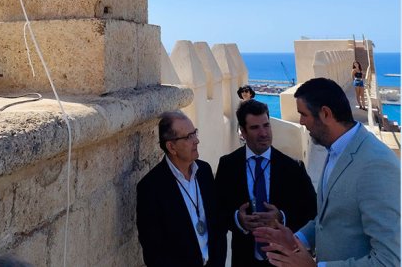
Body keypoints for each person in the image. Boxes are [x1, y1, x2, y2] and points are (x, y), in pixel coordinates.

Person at [254, 78, 399, 267]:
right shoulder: (336, 150)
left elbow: (388, 260)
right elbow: (330, 218)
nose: (301, 122)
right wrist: (297, 238)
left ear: (325, 113)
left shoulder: (375, 164)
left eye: (303, 114)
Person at [215, 99, 317, 267]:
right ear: (243, 132)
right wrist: (238, 220)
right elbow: (217, 210)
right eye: (255, 128)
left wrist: (281, 217)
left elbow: (311, 210)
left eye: (266, 125)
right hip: (243, 260)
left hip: (284, 260)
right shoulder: (228, 165)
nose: (263, 133)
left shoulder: (293, 167)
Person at [136, 111, 227, 266]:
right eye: (188, 137)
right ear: (171, 147)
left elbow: (217, 226)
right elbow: (153, 251)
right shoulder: (151, 187)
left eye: (195, 133)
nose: (196, 140)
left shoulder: (204, 171)